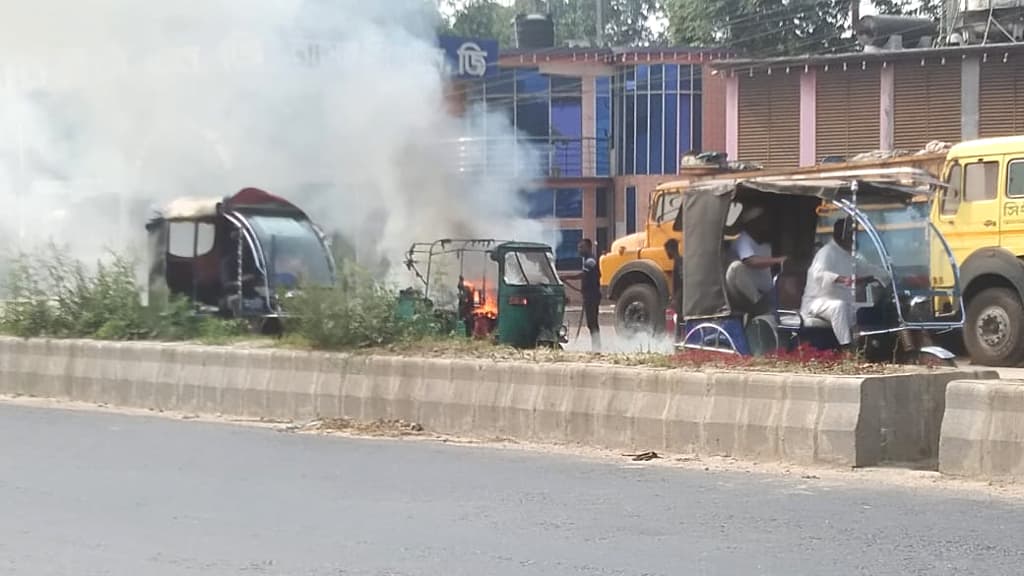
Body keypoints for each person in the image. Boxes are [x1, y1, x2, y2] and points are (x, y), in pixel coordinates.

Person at [800, 217, 887, 349]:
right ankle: (847, 347)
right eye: (850, 235)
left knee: (866, 308)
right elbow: (818, 274)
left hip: (843, 300)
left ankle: (868, 346)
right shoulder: (826, 252)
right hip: (817, 302)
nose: (853, 239)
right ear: (840, 235)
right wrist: (841, 279)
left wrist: (886, 273)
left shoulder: (848, 255)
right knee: (839, 306)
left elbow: (866, 268)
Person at [725, 206, 787, 314]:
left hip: (767, 292)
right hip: (743, 294)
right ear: (752, 223)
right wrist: (778, 260)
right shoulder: (742, 240)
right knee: (736, 266)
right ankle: (759, 305)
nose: (766, 224)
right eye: (762, 220)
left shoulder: (766, 243)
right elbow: (751, 261)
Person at [564, 238, 602, 352]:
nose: (579, 249)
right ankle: (596, 347)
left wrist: (566, 277)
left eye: (582, 247)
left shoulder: (590, 261)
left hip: (592, 295)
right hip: (589, 295)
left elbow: (583, 275)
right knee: (591, 323)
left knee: (592, 322)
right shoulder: (587, 260)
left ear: (589, 248)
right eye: (579, 247)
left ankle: (597, 348)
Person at [664, 238, 683, 316]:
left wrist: (676, 298)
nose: (667, 253)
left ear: (671, 249)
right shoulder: (679, 261)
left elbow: (681, 283)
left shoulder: (679, 262)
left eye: (667, 250)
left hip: (680, 297)